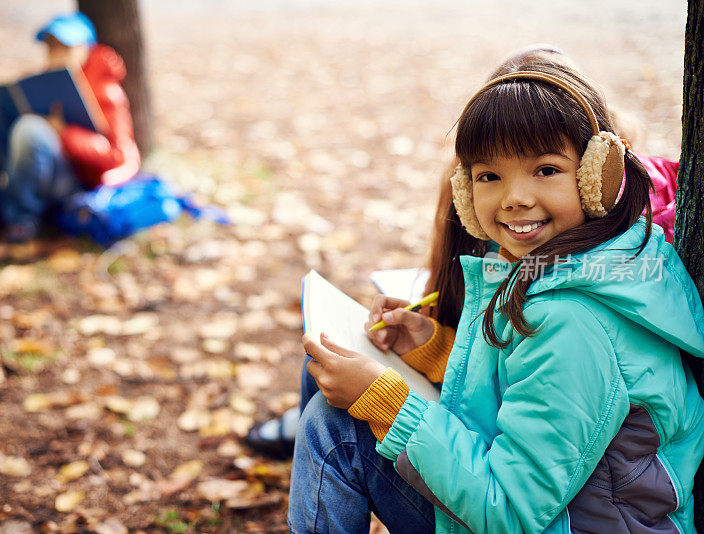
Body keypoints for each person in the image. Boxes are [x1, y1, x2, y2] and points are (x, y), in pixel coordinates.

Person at [288, 60, 704, 533]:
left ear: (597, 178)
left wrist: (388, 404)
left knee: (337, 428)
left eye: (545, 169)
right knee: (328, 364)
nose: (515, 197)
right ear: (465, 191)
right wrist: (434, 349)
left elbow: (508, 509)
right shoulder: (586, 268)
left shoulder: (571, 321)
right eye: (490, 176)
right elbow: (533, 394)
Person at [0, 12, 140, 243]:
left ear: (86, 49)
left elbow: (116, 156)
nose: (56, 54)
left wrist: (64, 133)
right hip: (35, 166)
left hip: (74, 181)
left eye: (65, 47)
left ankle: (20, 220)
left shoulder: (107, 92)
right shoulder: (42, 82)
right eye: (51, 47)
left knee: (30, 128)